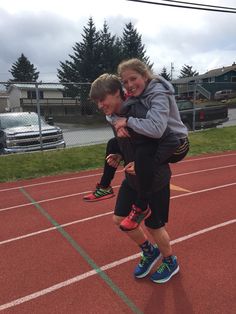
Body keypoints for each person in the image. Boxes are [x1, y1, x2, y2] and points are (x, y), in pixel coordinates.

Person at [89, 74, 179, 283]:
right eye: (97, 102)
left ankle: (170, 260)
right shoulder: (113, 117)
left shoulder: (140, 111)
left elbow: (171, 141)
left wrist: (146, 165)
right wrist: (120, 154)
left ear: (116, 93)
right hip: (132, 180)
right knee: (120, 219)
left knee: (154, 227)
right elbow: (131, 144)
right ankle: (149, 252)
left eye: (103, 99)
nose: (100, 105)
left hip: (155, 180)